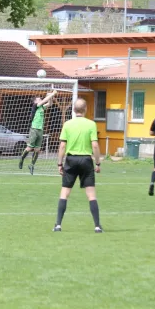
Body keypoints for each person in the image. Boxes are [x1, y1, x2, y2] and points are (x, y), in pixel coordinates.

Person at [53, 98, 103, 233]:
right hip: (86, 160)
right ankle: (97, 226)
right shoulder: (91, 124)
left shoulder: (67, 124)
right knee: (91, 195)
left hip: (71, 160)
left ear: (74, 110)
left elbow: (62, 145)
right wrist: (97, 163)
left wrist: (59, 163)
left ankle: (58, 225)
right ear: (86, 109)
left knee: (65, 192)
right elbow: (95, 145)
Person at [19, 89, 58, 175]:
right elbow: (44, 100)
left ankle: (32, 165)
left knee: (37, 150)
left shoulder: (42, 107)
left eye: (40, 98)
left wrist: (50, 96)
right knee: (29, 148)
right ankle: (21, 159)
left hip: (40, 130)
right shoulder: (35, 106)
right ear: (35, 101)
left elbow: (50, 104)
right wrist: (52, 94)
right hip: (34, 129)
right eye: (38, 99)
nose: (40, 99)